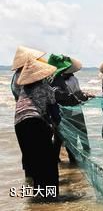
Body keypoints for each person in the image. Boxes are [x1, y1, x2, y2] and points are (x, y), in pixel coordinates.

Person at [14, 58, 60, 197]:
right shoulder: (46, 88)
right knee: (49, 163)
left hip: (19, 125)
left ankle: (37, 196)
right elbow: (55, 114)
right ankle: (51, 197)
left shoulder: (23, 90)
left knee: (33, 161)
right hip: (35, 122)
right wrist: (55, 127)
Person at [10, 46, 47, 177]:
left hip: (19, 118)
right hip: (34, 118)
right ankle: (41, 192)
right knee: (40, 158)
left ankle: (31, 188)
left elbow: (18, 97)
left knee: (28, 155)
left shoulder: (15, 76)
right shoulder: (26, 76)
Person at [48, 54, 82, 163]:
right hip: (60, 113)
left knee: (59, 138)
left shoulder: (54, 78)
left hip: (58, 113)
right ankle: (72, 160)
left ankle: (55, 160)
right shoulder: (56, 79)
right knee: (67, 138)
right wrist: (72, 98)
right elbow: (56, 93)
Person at [62, 57, 94, 152]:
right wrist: (86, 96)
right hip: (76, 111)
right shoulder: (73, 79)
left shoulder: (59, 81)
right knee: (82, 133)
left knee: (71, 135)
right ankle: (87, 153)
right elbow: (78, 94)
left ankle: (73, 157)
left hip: (65, 112)